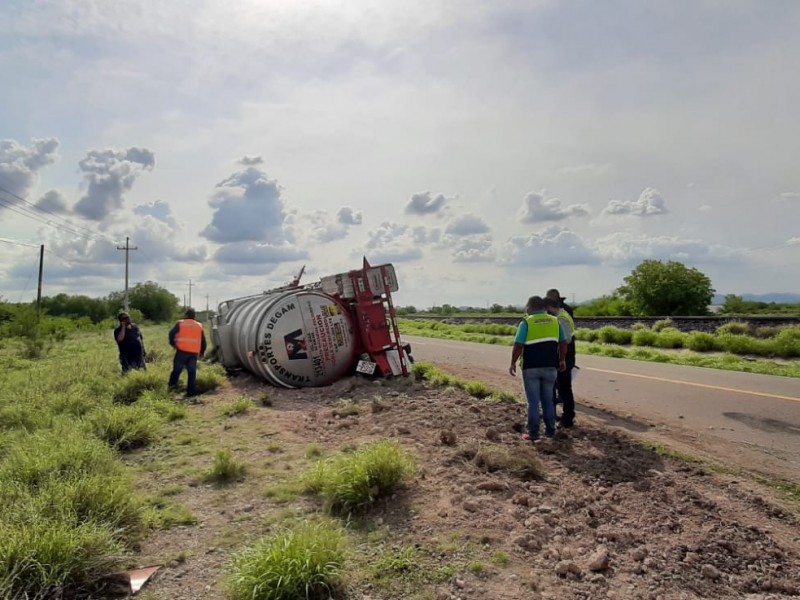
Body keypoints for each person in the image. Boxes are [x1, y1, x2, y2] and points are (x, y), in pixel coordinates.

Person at [509, 296, 568, 443]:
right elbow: (563, 342)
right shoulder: (555, 321)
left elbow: (518, 345)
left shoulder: (526, 322)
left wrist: (513, 363)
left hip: (531, 368)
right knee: (548, 400)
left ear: (530, 307)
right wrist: (562, 360)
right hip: (550, 367)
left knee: (533, 402)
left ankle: (534, 434)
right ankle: (550, 432)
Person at [168, 308, 207, 398]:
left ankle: (171, 389)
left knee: (177, 371)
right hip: (193, 354)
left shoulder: (181, 323)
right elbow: (203, 341)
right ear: (194, 316)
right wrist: (202, 352)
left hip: (181, 352)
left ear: (186, 315)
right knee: (192, 373)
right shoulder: (199, 325)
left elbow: (171, 334)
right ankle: (191, 393)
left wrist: (173, 344)